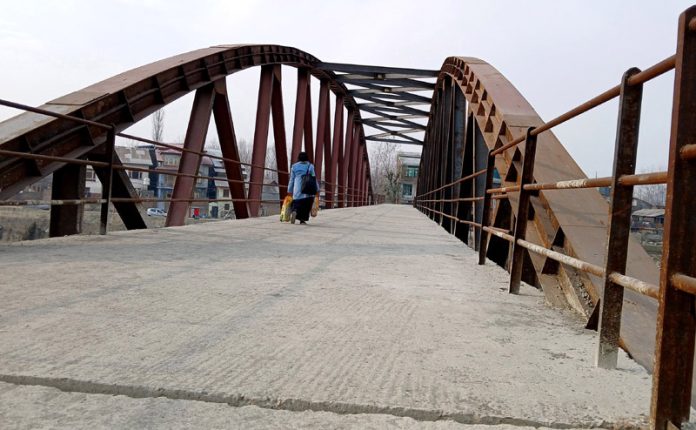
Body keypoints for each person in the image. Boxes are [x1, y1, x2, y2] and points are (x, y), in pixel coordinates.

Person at [286, 152, 318, 225]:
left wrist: (289, 189)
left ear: (299, 158)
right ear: (307, 158)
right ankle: (302, 220)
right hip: (307, 187)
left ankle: (295, 210)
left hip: (297, 187)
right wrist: (317, 188)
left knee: (297, 201)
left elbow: (291, 179)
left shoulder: (294, 166)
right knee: (306, 204)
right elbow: (314, 178)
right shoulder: (310, 166)